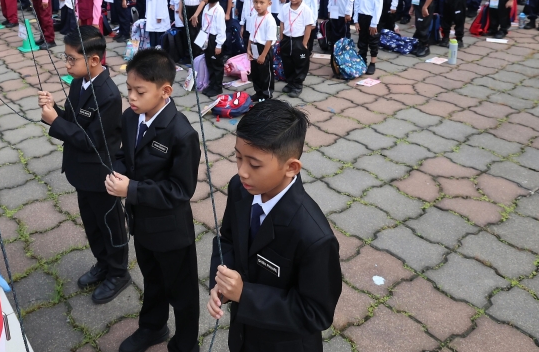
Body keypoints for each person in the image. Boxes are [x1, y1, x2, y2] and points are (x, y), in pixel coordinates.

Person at [207, 100, 342, 352]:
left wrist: (245, 295)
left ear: (291, 167)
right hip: (242, 335)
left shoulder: (314, 236)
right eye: (238, 157)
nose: (242, 172)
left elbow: (316, 313)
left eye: (254, 164)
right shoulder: (240, 189)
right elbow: (226, 239)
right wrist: (222, 282)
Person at [105, 49, 200, 352]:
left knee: (183, 293)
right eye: (129, 89)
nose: (131, 97)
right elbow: (123, 156)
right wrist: (117, 174)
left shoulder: (181, 133)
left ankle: (186, 344)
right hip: (141, 224)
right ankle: (153, 326)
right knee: (152, 279)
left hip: (172, 232)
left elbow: (180, 190)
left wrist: (131, 190)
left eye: (139, 91)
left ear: (165, 91)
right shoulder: (131, 118)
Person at [38, 28, 129, 303]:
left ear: (93, 60)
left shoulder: (108, 95)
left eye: (71, 59)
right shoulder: (79, 82)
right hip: (81, 173)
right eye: (65, 58)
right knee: (92, 224)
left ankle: (118, 272)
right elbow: (75, 121)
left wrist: (55, 121)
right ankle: (102, 263)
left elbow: (91, 140)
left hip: (102, 175)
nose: (67, 65)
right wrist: (56, 110)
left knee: (110, 224)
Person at [278, 0, 314, 98]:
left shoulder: (306, 10)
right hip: (287, 40)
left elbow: (308, 27)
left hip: (299, 40)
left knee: (300, 63)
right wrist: (281, 38)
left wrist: (304, 43)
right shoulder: (285, 8)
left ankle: (298, 84)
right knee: (287, 62)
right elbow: (282, 23)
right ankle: (290, 82)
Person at [197, 0, 227, 98]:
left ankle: (217, 87)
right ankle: (211, 83)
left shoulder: (219, 11)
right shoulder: (206, 7)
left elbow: (221, 29)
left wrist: (219, 45)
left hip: (215, 39)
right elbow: (204, 23)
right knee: (209, 62)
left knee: (217, 64)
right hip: (206, 37)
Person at [246, 0, 276, 101]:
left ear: (269, 3)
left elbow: (269, 40)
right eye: (255, 2)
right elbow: (251, 33)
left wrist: (263, 55)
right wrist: (248, 48)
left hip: (264, 48)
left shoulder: (270, 20)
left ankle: (266, 94)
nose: (258, 5)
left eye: (261, 2)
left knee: (265, 73)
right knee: (255, 72)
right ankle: (258, 92)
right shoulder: (253, 17)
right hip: (254, 46)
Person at [353, 0, 381, 75]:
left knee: (373, 42)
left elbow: (378, 7)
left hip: (372, 19)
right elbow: (357, 4)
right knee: (362, 41)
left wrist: (374, 23)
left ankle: (373, 63)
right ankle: (362, 60)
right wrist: (356, 20)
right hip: (361, 17)